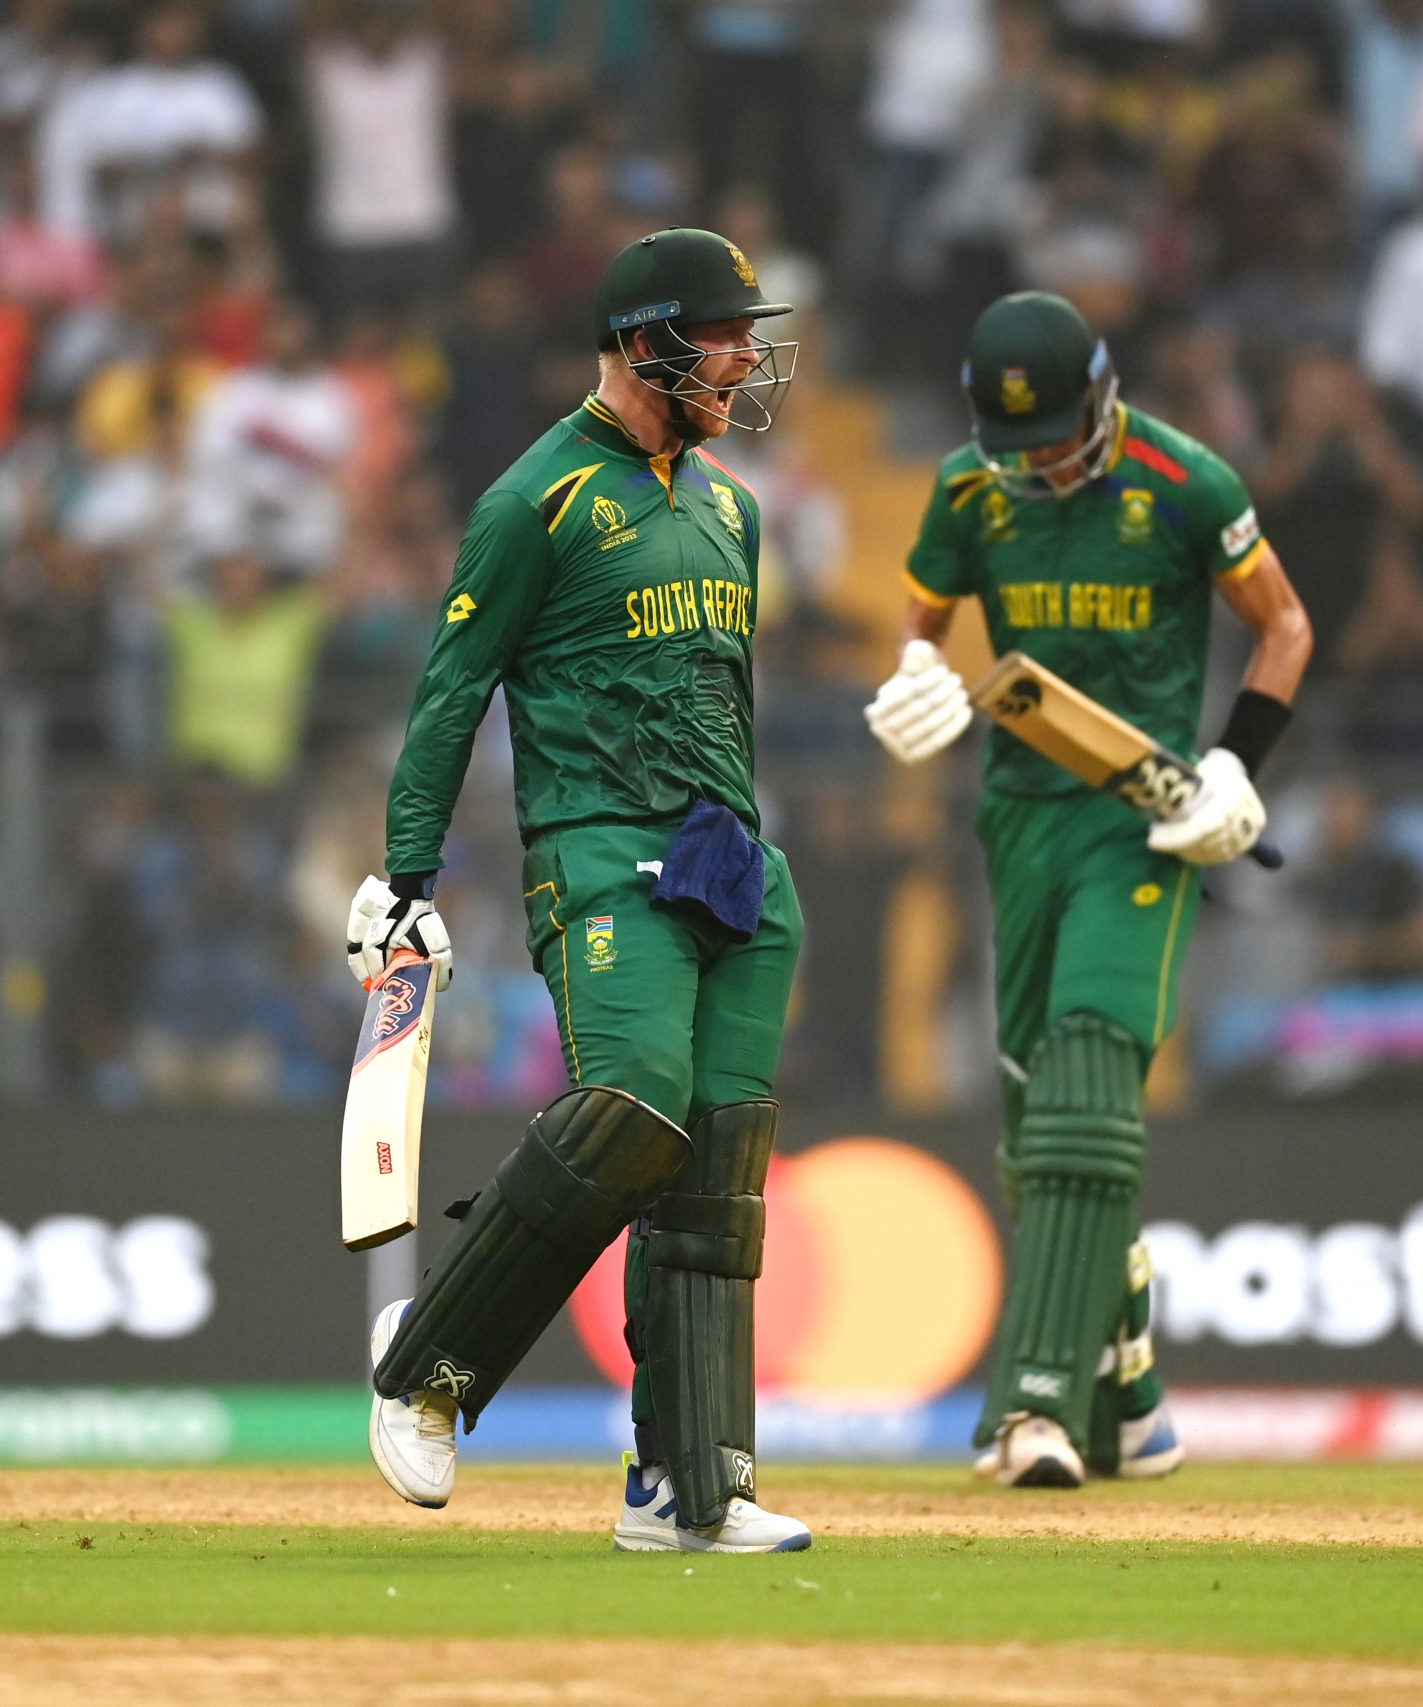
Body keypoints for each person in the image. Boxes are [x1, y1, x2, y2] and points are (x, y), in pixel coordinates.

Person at [348, 228, 809, 1552]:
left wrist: (751, 856)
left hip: (731, 860)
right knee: (631, 1112)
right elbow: (452, 692)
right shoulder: (534, 498)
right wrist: (407, 872)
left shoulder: (734, 507)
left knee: (717, 1169)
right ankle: (429, 1365)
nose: (741, 357)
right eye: (720, 334)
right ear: (642, 340)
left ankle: (688, 1483)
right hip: (601, 846)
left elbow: (725, 699)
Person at [863, 291, 1314, 1487]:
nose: (1039, 466)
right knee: (1030, 1125)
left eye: (1056, 439)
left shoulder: (1184, 482)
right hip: (1018, 820)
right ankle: (1134, 1393)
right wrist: (913, 682)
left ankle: (1035, 1408)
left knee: (1085, 1068)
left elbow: (1283, 628)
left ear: (1104, 398)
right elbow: (924, 628)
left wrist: (1231, 768)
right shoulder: (968, 489)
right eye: (1017, 449)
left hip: (1145, 820)